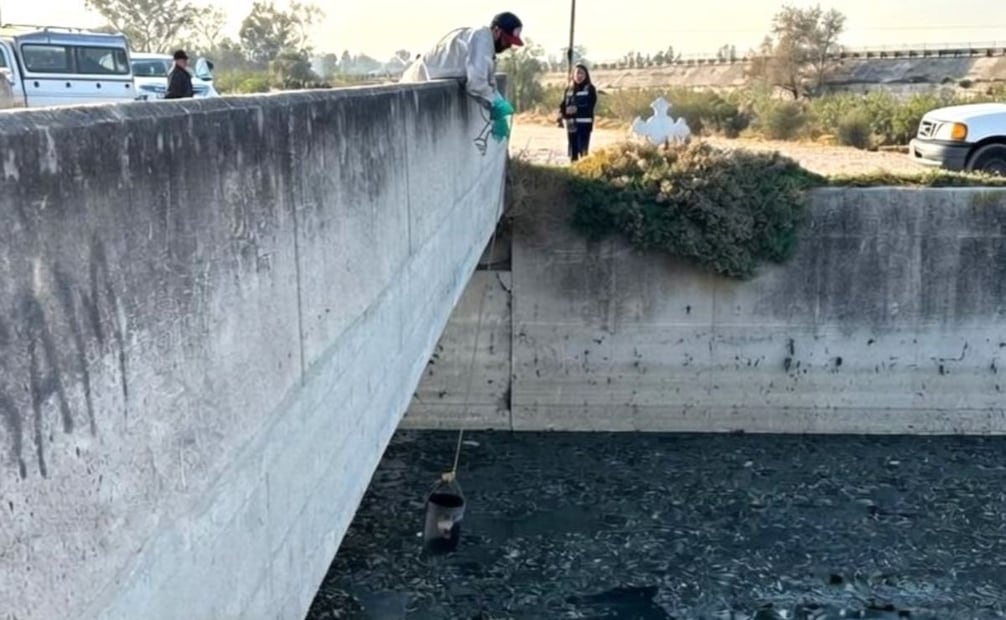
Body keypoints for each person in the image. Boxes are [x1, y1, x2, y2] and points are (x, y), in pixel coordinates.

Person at [401, 12, 524, 141]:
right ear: (497, 30)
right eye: (507, 40)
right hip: (417, 81)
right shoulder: (481, 38)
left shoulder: (486, 47)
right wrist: (497, 106)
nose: (508, 45)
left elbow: (488, 82)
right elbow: (476, 84)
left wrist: (501, 106)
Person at [557, 64, 597, 162]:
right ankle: (573, 170)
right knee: (573, 151)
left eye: (582, 73)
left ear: (586, 75)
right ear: (573, 75)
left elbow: (590, 105)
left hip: (584, 125)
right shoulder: (569, 89)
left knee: (583, 151)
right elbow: (563, 105)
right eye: (577, 73)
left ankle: (583, 172)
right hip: (571, 125)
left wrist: (576, 109)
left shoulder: (590, 88)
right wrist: (561, 114)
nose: (579, 75)